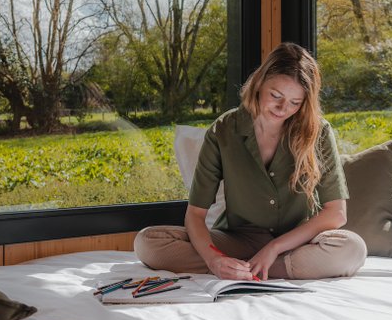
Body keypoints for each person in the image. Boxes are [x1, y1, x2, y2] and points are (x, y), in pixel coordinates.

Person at [134, 42, 367, 280]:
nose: (282, 108)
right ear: (259, 83)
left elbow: (336, 214)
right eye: (275, 95)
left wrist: (273, 248)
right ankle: (244, 267)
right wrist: (214, 260)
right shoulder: (224, 129)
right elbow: (195, 215)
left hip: (299, 242)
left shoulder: (317, 131)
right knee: (148, 242)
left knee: (352, 249)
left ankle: (252, 268)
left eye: (295, 102)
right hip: (237, 240)